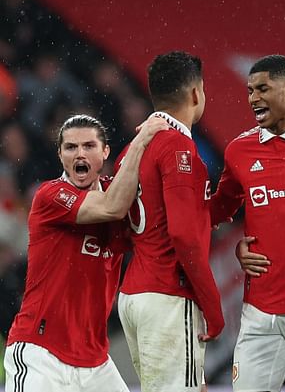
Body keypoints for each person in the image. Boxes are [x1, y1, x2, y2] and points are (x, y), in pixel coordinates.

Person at [3, 113, 167, 391]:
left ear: (105, 152)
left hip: (95, 362)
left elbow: (165, 226)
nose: (80, 154)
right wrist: (141, 143)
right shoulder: (50, 195)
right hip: (41, 353)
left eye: (89, 146)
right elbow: (110, 208)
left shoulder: (119, 192)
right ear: (60, 155)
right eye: (71, 147)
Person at [210, 55, 285, 391]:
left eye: (263, 88)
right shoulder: (239, 150)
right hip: (261, 310)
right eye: (250, 91)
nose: (253, 98)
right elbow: (217, 211)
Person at [116, 51, 225, 392]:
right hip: (168, 296)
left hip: (134, 294)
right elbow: (184, 236)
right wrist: (213, 305)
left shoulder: (132, 148)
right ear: (196, 93)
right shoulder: (179, 149)